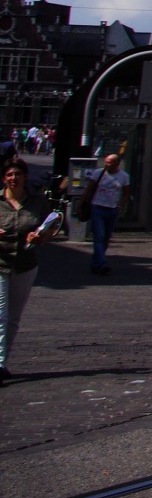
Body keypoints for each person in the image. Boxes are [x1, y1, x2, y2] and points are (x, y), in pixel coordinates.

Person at [1, 160, 60, 383]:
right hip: (0, 261)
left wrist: (40, 237)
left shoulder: (37, 201)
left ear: (25, 177)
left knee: (13, 317)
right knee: (0, 314)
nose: (13, 178)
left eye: (17, 174)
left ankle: (3, 360)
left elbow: (51, 226)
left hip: (25, 263)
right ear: (3, 178)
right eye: (9, 174)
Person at [80, 153, 130, 275]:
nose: (106, 164)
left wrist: (121, 205)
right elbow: (89, 189)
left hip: (112, 209)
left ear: (117, 163)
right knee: (99, 236)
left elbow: (126, 193)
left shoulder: (124, 176)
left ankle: (96, 263)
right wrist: (81, 205)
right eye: (106, 161)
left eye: (110, 162)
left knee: (106, 238)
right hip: (97, 207)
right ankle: (102, 263)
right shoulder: (98, 173)